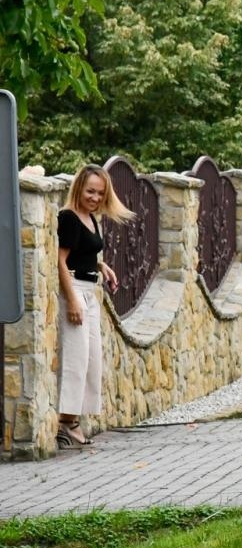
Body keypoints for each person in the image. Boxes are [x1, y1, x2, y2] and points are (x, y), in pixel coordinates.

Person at [56, 164, 131, 447]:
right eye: (90, 191)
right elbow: (61, 260)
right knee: (76, 359)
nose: (95, 198)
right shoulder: (68, 217)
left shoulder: (90, 217)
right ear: (78, 188)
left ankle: (73, 420)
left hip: (89, 291)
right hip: (75, 290)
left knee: (91, 359)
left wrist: (100, 265)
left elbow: (83, 251)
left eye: (100, 193)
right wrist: (72, 300)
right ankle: (66, 424)